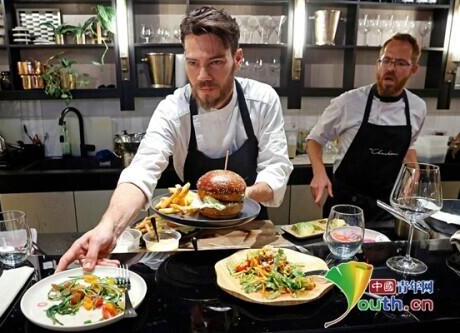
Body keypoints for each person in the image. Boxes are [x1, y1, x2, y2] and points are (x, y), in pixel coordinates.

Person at [56, 6, 292, 272]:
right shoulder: (173, 109)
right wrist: (108, 226)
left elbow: (276, 168)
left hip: (250, 237)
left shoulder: (262, 100)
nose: (203, 76)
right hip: (193, 240)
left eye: (215, 62)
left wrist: (235, 200)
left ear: (237, 59)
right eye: (193, 63)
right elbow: (141, 171)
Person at [306, 33, 426, 225]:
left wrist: (413, 168)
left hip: (387, 210)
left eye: (401, 63)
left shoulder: (418, 107)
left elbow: (409, 145)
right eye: (386, 60)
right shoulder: (348, 102)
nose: (391, 68)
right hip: (345, 209)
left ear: (414, 69)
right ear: (378, 63)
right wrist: (319, 172)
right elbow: (314, 140)